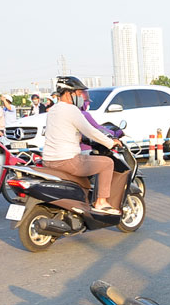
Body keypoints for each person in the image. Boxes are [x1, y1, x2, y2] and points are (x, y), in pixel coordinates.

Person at [43, 75, 127, 215]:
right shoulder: (71, 110)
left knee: (86, 180)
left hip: (49, 160)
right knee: (107, 163)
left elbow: (64, 131)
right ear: (70, 93)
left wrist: (80, 138)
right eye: (79, 93)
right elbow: (91, 131)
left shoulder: (53, 110)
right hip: (67, 160)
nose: (81, 96)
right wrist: (111, 143)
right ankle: (101, 202)